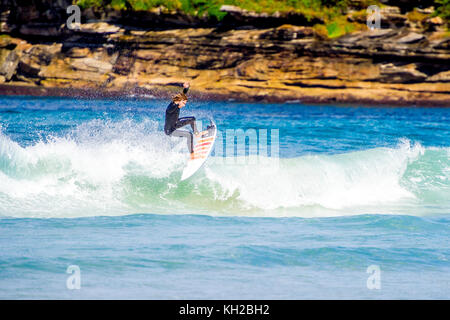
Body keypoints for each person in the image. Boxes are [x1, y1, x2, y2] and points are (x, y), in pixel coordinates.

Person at [164, 82, 199, 156]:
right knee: (189, 135)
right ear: (179, 101)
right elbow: (169, 110)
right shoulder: (171, 107)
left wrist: (186, 88)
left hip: (176, 123)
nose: (184, 105)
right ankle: (192, 154)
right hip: (170, 130)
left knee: (192, 119)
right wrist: (177, 105)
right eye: (184, 103)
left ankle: (197, 133)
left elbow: (182, 95)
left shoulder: (178, 103)